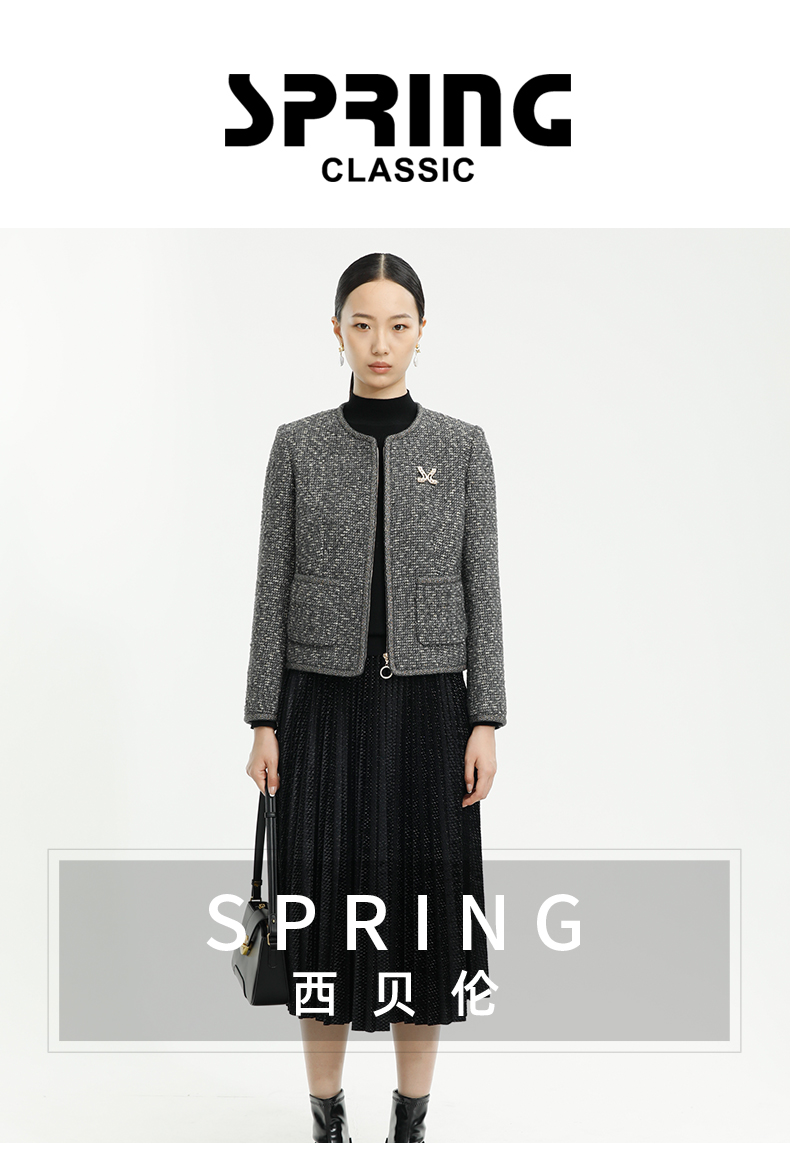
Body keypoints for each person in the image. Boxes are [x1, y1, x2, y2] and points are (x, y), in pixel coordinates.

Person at [244, 252, 507, 1143]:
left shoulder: (463, 446)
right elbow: (271, 587)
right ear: (337, 332)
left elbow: (483, 588)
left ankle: (410, 1122)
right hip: (319, 706)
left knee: (422, 916)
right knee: (321, 909)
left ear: (422, 333)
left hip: (432, 710)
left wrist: (486, 715)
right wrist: (263, 717)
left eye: (398, 325)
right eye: (363, 324)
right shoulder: (297, 444)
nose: (380, 342)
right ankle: (327, 1118)